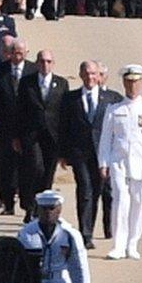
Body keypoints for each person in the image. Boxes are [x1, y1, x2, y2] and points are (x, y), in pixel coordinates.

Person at [99, 64, 142, 260]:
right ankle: (118, 245)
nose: (132, 86)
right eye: (129, 82)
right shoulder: (114, 109)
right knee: (120, 200)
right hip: (119, 161)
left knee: (139, 201)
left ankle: (132, 243)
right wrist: (104, 162)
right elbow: (105, 138)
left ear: (141, 83)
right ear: (124, 83)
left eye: (136, 82)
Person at [60, 60, 121, 249]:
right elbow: (63, 127)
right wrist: (63, 154)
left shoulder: (111, 99)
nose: (90, 78)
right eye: (87, 74)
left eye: (94, 74)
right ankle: (85, 234)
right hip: (80, 154)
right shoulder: (70, 98)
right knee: (85, 192)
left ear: (99, 76)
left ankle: (106, 226)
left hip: (103, 155)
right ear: (81, 75)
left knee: (100, 192)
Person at [0, 37, 36, 213]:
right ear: (9, 53)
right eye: (14, 53)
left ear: (26, 53)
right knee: (4, 165)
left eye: (21, 53)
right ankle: (7, 202)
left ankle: (27, 202)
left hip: (25, 127)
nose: (17, 57)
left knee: (25, 166)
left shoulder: (33, 71)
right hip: (2, 125)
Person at [16, 50, 69, 219]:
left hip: (53, 136)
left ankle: (42, 209)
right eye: (42, 61)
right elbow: (19, 110)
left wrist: (65, 142)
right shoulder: (27, 82)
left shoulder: (61, 83)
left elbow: (65, 113)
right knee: (35, 168)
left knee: (47, 174)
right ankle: (30, 206)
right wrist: (16, 136)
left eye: (48, 61)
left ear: (53, 64)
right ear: (37, 63)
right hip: (32, 135)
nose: (45, 65)